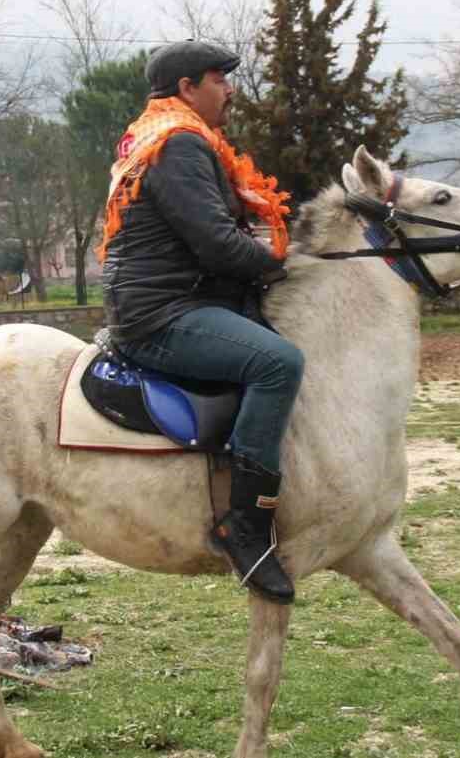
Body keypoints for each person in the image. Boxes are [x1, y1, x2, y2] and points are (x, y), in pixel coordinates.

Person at [97, 40, 304, 604]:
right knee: (278, 363)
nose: (230, 89)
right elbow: (215, 244)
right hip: (162, 313)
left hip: (170, 298)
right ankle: (245, 525)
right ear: (187, 88)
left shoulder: (161, 137)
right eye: (219, 79)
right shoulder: (180, 145)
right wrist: (280, 261)